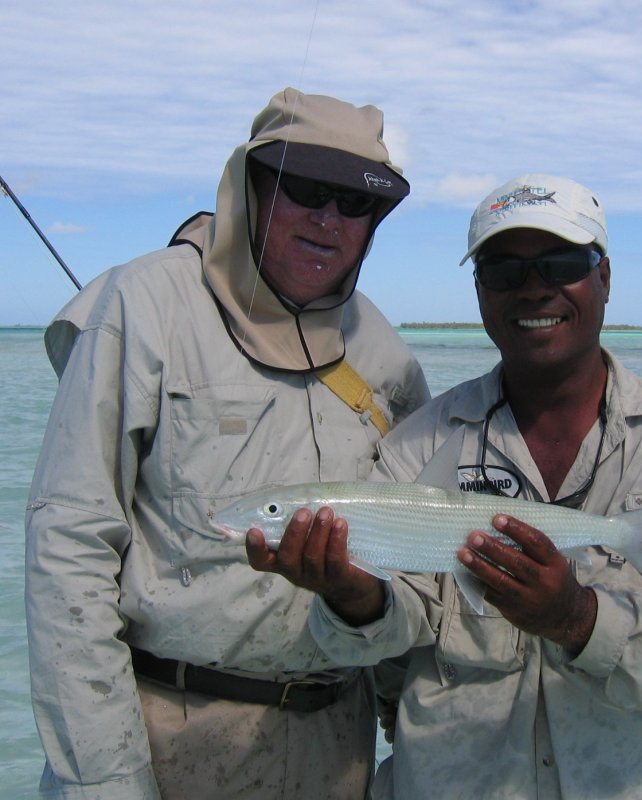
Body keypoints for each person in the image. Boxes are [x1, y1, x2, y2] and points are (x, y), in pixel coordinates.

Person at [247, 173, 642, 799]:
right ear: (479, 290)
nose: (533, 288)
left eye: (562, 263)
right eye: (502, 270)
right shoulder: (419, 443)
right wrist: (353, 595)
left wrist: (576, 617)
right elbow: (388, 641)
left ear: (604, 278)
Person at [25, 87, 430, 799]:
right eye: (304, 189)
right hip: (162, 732)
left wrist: (416, 736)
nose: (328, 219)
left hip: (336, 744)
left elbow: (409, 568)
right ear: (251, 184)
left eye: (356, 202)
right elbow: (69, 552)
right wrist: (106, 779)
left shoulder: (387, 358)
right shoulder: (139, 306)